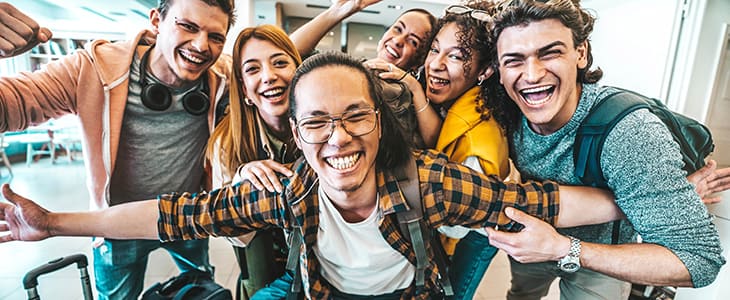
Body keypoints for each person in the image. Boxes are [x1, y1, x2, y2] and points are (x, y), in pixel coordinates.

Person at [0, 51, 627, 299]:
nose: (339, 138)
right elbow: (171, 214)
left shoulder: (426, 181)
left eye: (356, 117)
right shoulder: (289, 189)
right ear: (296, 135)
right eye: (318, 123)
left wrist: (632, 199)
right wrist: (53, 222)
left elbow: (536, 201)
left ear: (380, 125)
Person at [482, 0, 725, 298]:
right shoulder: (503, 112)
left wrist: (565, 248)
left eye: (551, 52)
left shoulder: (630, 133)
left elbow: (699, 261)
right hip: (531, 246)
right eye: (514, 60)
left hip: (603, 261)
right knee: (521, 295)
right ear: (499, 69)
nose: (532, 75)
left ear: (580, 53)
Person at [0, 1, 234, 299]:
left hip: (185, 217)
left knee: (203, 288)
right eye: (188, 26)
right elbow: (11, 107)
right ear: (156, 21)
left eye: (216, 37)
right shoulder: (93, 68)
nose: (202, 46)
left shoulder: (221, 77)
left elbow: (278, 59)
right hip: (115, 225)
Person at [417, 2, 514, 298]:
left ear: (485, 70)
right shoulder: (464, 106)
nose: (435, 63)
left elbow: (456, 227)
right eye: (434, 50)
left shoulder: (478, 136)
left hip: (474, 236)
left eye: (456, 56)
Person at [206, 24, 302, 298]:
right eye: (253, 69)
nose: (269, 77)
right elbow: (228, 231)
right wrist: (242, 184)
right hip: (263, 272)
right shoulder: (227, 142)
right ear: (245, 90)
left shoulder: (325, 127)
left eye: (280, 63)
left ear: (300, 72)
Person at [290, 0, 441, 148]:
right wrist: (339, 11)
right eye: (398, 29)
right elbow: (290, 52)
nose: (398, 41)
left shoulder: (408, 94)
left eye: (413, 42)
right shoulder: (349, 67)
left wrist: (413, 86)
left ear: (418, 62)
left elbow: (432, 140)